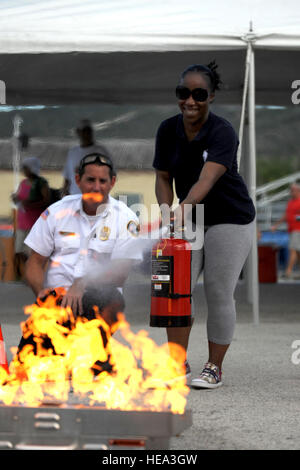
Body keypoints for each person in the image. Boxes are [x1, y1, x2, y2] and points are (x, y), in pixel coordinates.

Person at [153, 62, 256, 389]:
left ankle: (214, 367)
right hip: (188, 215)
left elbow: (207, 179)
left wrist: (181, 209)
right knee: (173, 289)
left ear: (210, 96)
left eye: (199, 94)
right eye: (184, 93)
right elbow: (162, 176)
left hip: (230, 216)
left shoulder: (222, 131)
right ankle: (176, 364)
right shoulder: (167, 130)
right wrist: (166, 210)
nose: (190, 100)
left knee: (217, 288)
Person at [24, 152, 142, 317]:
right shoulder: (57, 211)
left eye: (102, 181)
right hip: (56, 300)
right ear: (78, 180)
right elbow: (34, 262)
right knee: (30, 342)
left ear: (112, 183)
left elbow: (120, 272)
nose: (96, 187)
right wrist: (42, 294)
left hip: (99, 302)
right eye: (90, 180)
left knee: (103, 303)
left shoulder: (126, 218)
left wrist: (82, 283)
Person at [11, 157, 50, 279]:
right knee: (18, 251)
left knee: (31, 252)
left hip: (35, 223)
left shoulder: (41, 183)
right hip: (22, 222)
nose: (24, 170)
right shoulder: (23, 183)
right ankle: (28, 272)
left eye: (26, 168)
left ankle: (32, 275)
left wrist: (31, 205)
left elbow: (46, 201)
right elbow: (19, 196)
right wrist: (15, 198)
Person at [62, 119, 109, 196]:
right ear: (78, 132)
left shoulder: (101, 151)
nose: (86, 134)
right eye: (84, 131)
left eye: (88, 131)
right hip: (74, 196)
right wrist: (64, 193)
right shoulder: (72, 152)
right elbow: (67, 176)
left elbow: (108, 175)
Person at [271, 183, 300, 278]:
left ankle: (288, 271)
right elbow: (286, 216)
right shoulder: (291, 202)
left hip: (298, 230)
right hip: (291, 230)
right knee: (297, 252)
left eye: (292, 190)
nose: (291, 192)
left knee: (293, 250)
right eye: (290, 190)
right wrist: (276, 225)